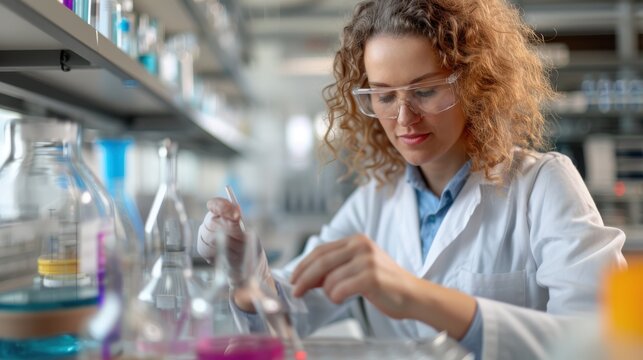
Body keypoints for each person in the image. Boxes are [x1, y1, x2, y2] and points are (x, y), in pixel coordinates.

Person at [197, 0, 627, 359]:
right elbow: (287, 314)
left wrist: (418, 298)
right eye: (384, 95)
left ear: (474, 83)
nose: (404, 118)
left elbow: (602, 342)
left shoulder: (542, 186)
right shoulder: (374, 204)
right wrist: (244, 274)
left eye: (424, 91)